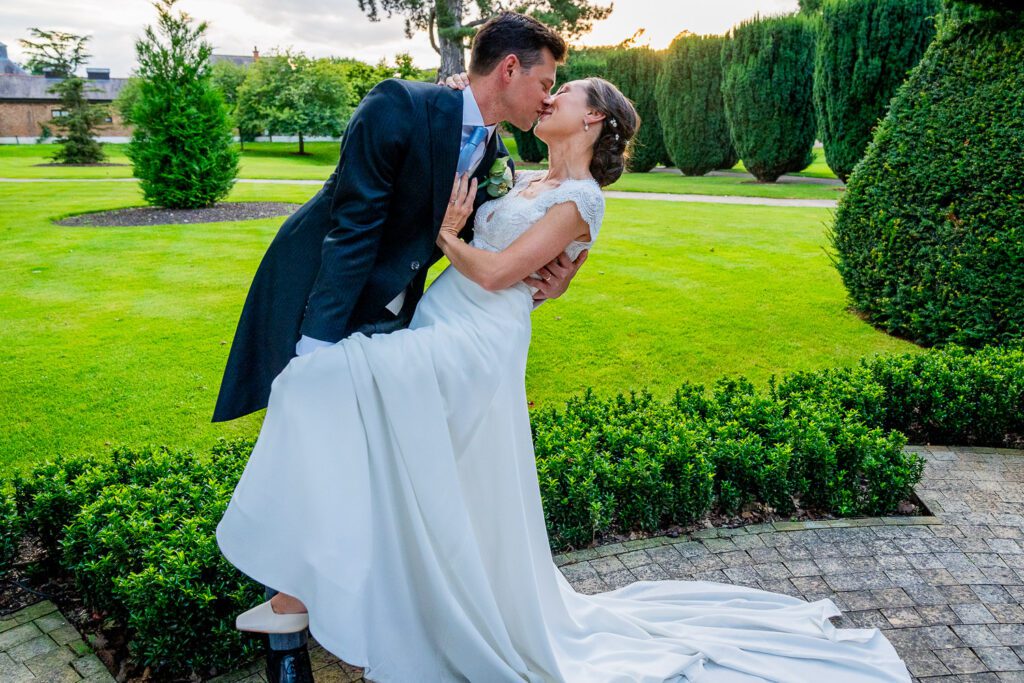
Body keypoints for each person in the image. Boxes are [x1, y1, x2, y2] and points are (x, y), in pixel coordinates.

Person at [215, 62, 912, 682]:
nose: (548, 98)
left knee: (317, 384)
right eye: (549, 85)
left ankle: (296, 596)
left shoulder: (581, 199)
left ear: (595, 117)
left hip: (474, 344)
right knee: (400, 461)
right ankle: (313, 594)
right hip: (439, 323)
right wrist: (459, 96)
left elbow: (494, 272)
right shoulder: (526, 174)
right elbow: (479, 164)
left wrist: (449, 233)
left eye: (564, 92)